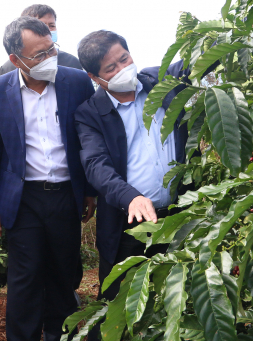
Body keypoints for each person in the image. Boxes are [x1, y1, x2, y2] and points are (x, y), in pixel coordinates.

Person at [0, 16, 96, 341]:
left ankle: (60, 335)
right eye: (39, 55)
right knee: (25, 277)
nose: (49, 59)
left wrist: (88, 190)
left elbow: (89, 140)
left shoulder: (76, 82)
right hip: (24, 198)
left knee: (63, 273)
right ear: (16, 60)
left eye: (51, 50)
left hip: (65, 194)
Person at [74, 30, 192, 308]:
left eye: (124, 59)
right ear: (95, 78)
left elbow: (199, 57)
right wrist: (131, 197)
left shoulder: (162, 81)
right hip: (128, 226)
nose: (123, 69)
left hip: (180, 215)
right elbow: (95, 165)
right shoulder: (90, 113)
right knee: (119, 304)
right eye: (111, 68)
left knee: (177, 299)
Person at [0, 4, 83, 75]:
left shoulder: (71, 62)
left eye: (52, 25)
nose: (47, 30)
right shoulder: (7, 68)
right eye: (41, 25)